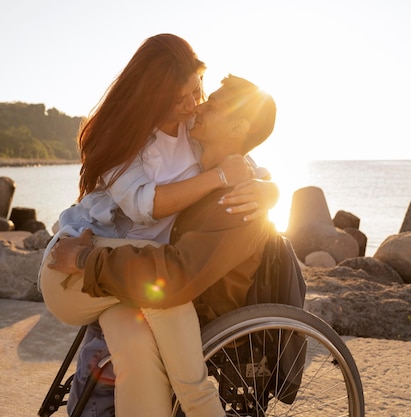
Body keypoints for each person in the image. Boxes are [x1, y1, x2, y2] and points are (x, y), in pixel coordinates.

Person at [39, 34, 278, 417]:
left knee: (138, 355)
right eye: (179, 98)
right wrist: (218, 176)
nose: (193, 105)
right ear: (152, 95)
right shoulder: (124, 137)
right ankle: (204, 409)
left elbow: (242, 158)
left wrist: (268, 191)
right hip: (75, 265)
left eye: (197, 91)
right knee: (169, 288)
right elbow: (144, 205)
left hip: (124, 282)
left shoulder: (191, 131)